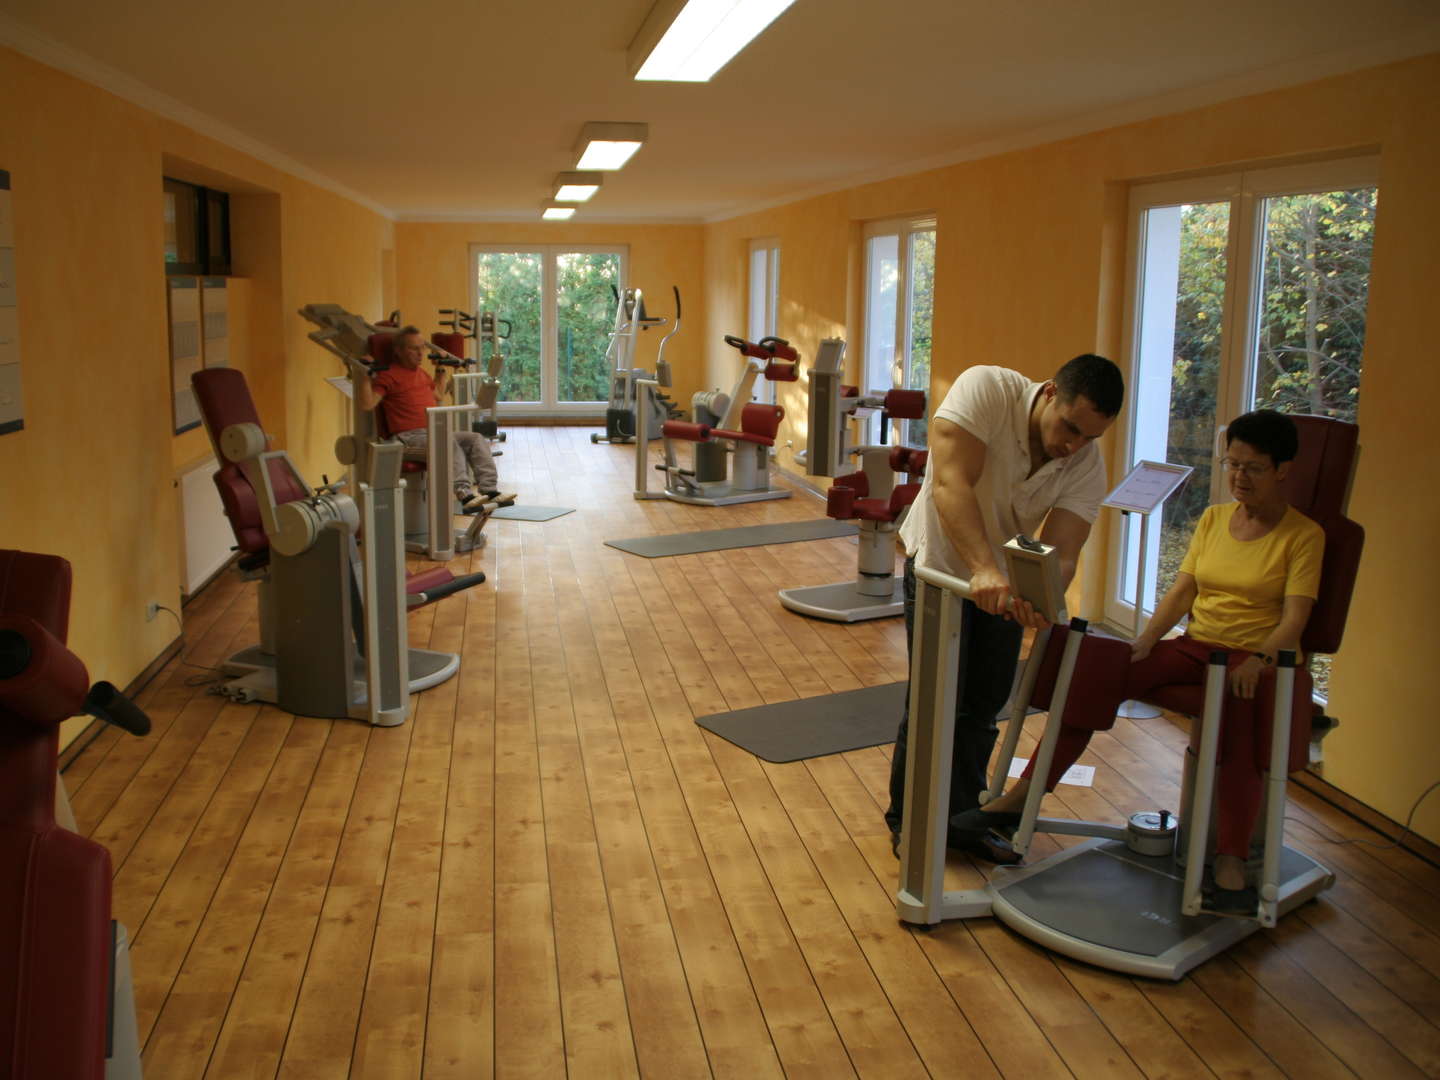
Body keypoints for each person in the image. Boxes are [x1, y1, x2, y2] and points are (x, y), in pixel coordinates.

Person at [954, 409, 1323, 912]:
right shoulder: (1215, 519)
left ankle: (1232, 857)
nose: (1238, 477)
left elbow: (1295, 620)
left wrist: (1259, 659)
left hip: (1251, 662)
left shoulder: (1304, 536)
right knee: (1094, 672)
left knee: (1237, 714)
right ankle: (1023, 798)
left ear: (1283, 469)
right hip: (1197, 648)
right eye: (1232, 464)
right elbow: (1184, 589)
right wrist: (1147, 639)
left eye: (1252, 467)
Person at [887, 354, 1124, 862]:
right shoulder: (986, 390)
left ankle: (960, 822)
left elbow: (1062, 550)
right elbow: (951, 483)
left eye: (1090, 437)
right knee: (934, 700)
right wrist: (983, 568)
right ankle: (909, 821)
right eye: (1070, 428)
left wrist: (1042, 600)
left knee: (983, 709)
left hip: (999, 587)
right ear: (1050, 393)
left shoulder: (1084, 460)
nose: (1074, 445)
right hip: (941, 565)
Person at [354, 325, 501, 512]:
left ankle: (490, 490)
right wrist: (364, 376)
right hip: (406, 439)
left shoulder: (421, 374)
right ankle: (464, 494)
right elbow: (367, 404)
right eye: (413, 348)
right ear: (398, 351)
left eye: (422, 347)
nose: (420, 353)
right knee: (446, 442)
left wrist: (440, 368)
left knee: (475, 439)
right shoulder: (388, 376)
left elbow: (439, 394)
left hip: (429, 434)